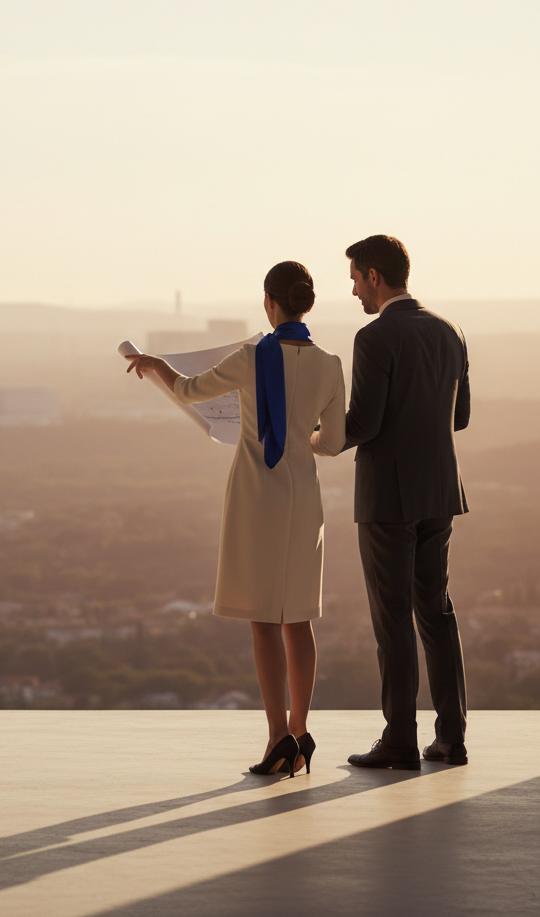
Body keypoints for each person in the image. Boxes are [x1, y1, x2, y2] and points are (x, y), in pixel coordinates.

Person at [127, 262, 346, 777]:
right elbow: (333, 443)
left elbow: (186, 392)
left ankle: (277, 738)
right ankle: (301, 728)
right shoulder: (332, 364)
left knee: (262, 617)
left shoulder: (252, 356)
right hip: (304, 496)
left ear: (270, 303)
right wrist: (300, 440)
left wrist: (157, 363)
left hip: (256, 493)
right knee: (298, 617)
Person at [342, 235, 470, 770]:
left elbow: (364, 424)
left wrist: (311, 433)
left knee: (392, 620)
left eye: (354, 278)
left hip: (387, 496)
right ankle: (451, 738)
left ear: (374, 275)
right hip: (439, 491)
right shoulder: (450, 331)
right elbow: (459, 419)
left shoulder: (374, 337)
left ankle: (399, 739)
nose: (352, 291)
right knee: (436, 613)